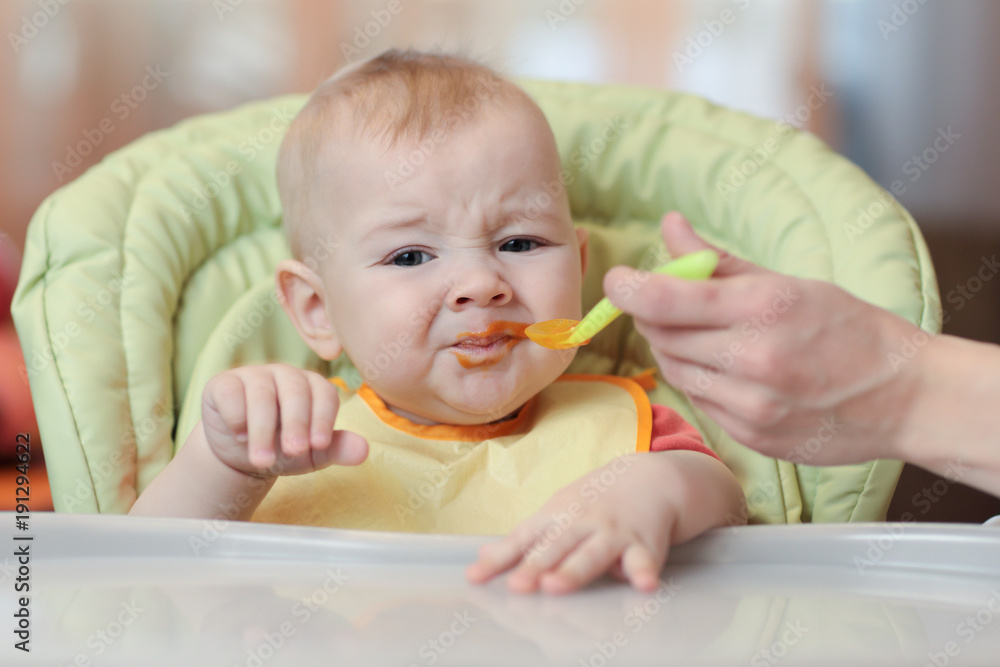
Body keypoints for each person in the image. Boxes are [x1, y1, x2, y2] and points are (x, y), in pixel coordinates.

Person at [129, 50, 746, 595]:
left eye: (522, 243)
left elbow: (725, 501)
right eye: (411, 256)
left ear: (579, 275)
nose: (482, 283)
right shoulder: (290, 442)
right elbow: (140, 581)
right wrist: (227, 465)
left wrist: (653, 491)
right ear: (317, 311)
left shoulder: (625, 422)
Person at [606, 211, 1000, 499]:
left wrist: (644, 498)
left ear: (583, 259)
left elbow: (711, 488)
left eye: (540, 243)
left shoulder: (628, 410)